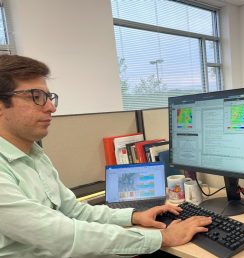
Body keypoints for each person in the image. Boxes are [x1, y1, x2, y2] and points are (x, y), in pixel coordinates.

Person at [0, 55, 212, 257]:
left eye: (49, 97)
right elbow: (60, 235)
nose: (51, 107)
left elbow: (75, 211)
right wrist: (161, 238)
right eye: (36, 97)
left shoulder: (35, 155)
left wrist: (134, 216)